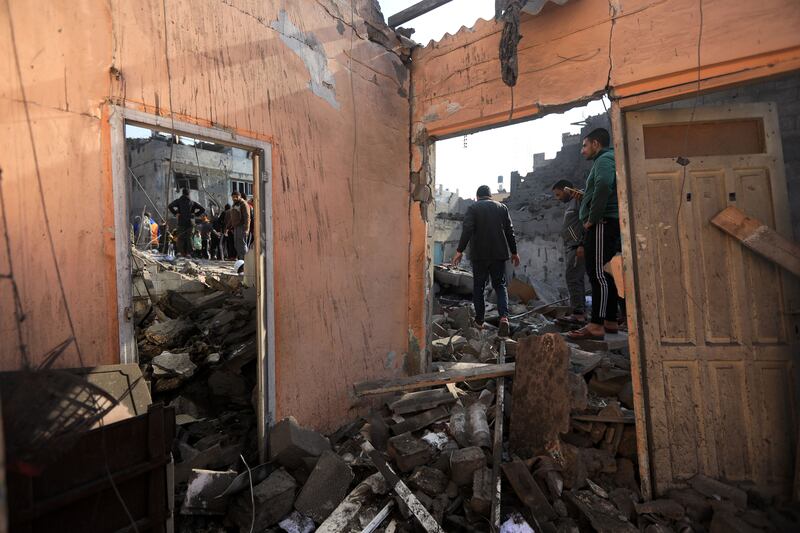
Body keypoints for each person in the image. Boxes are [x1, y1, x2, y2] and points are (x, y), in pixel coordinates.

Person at [566, 128, 620, 341]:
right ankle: (610, 320)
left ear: (596, 144)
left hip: (601, 223)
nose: (582, 150)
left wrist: (592, 218)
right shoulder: (607, 159)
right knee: (606, 273)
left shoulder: (604, 160)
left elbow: (604, 185)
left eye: (585, 145)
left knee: (597, 274)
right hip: (606, 223)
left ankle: (596, 324)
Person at [453, 185, 519, 337]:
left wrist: (459, 251)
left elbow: (467, 229)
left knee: (479, 287)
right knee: (500, 286)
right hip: (498, 255)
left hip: (479, 256)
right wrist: (514, 252)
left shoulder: (473, 208)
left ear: (477, 196)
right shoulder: (502, 208)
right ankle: (504, 317)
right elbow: (510, 231)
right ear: (490, 196)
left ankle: (479, 321)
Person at [552, 179, 586, 325]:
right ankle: (581, 313)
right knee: (576, 278)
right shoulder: (571, 204)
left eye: (558, 194)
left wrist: (582, 244)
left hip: (578, 246)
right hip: (573, 246)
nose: (557, 198)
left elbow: (586, 221)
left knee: (572, 278)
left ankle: (578, 315)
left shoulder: (579, 200)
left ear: (566, 190)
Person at [168, 188, 205, 257]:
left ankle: (179, 252)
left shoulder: (178, 201)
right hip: (190, 222)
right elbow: (202, 209)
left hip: (181, 222)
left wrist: (176, 213)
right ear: (188, 194)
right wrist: (195, 214)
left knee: (180, 237)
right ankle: (189, 253)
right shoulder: (192, 202)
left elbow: (170, 206)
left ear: (182, 193)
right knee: (189, 238)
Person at [227, 191, 250, 260]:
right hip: (236, 227)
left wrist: (246, 229)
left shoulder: (243, 204)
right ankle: (241, 260)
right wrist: (227, 226)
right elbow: (232, 217)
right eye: (233, 197)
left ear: (240, 196)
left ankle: (246, 260)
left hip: (242, 227)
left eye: (236, 197)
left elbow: (247, 217)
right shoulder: (234, 205)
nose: (234, 198)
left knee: (242, 244)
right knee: (237, 245)